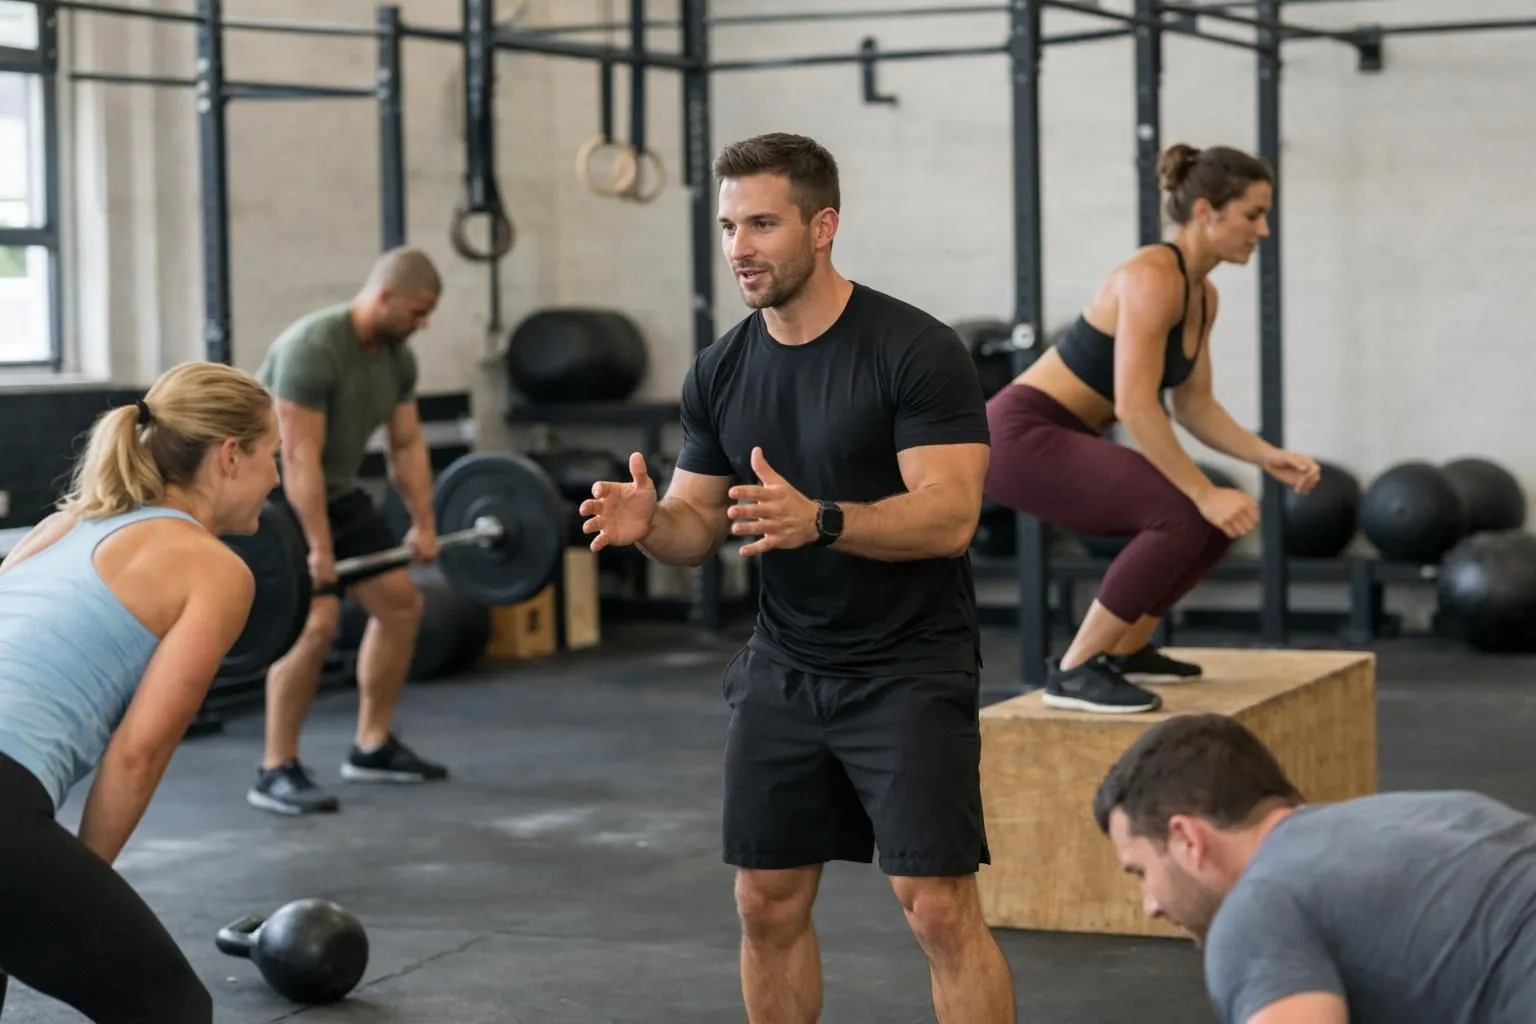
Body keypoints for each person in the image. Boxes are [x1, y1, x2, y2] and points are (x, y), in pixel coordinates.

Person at [579, 132, 1016, 1022]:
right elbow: (700, 523)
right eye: (730, 225)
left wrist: (821, 520)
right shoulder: (721, 368)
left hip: (909, 665)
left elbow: (951, 514)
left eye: (763, 224)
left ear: (823, 226)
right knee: (763, 901)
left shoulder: (914, 350)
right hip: (786, 667)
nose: (740, 246)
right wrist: (650, 524)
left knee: (936, 909)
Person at [984, 143, 1321, 715]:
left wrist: (1267, 456)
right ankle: (1075, 669)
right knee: (1184, 513)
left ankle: (1128, 647)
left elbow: (1195, 406)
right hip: (1019, 435)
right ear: (1206, 212)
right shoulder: (1151, 277)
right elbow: (1137, 406)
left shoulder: (1201, 294)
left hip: (1062, 433)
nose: (1263, 231)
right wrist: (1200, 490)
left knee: (1217, 522)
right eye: (1252, 214)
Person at [0, 361, 280, 1023]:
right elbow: (137, 754)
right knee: (171, 1010)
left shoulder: (60, 526)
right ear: (231, 456)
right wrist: (67, 883)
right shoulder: (214, 570)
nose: (277, 478)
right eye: (274, 455)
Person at [1094, 713, 1536, 1024]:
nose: (1150, 905)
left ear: (1188, 839)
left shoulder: (1259, 906)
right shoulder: (1427, 814)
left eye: (1141, 872)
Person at [249, 245, 449, 816]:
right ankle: (275, 768)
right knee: (315, 622)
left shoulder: (396, 357)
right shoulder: (312, 349)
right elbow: (299, 458)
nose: (423, 324)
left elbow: (406, 445)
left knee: (401, 605)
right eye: (417, 311)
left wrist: (424, 523)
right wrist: (317, 548)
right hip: (277, 496)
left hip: (336, 493)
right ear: (384, 296)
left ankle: (372, 744)